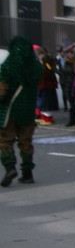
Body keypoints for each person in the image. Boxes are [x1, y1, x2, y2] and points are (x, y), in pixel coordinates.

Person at [0, 36, 43, 187]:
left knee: (5, 141)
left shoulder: (9, 65)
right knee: (26, 141)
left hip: (9, 110)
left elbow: (2, 90)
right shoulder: (36, 67)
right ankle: (27, 173)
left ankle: (10, 167)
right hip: (28, 110)